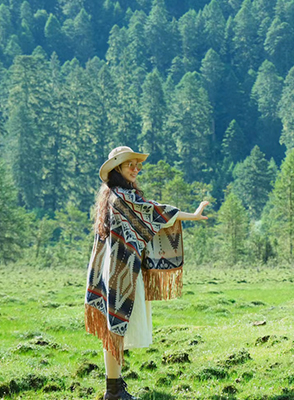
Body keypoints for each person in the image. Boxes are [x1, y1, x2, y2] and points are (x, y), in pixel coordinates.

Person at [84, 146, 209, 400]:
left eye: (137, 165)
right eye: (130, 164)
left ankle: (115, 387)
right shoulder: (122, 197)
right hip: (120, 270)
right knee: (115, 328)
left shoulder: (115, 196)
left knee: (115, 327)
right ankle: (113, 390)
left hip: (120, 267)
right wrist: (192, 216)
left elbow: (150, 215)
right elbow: (155, 212)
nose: (136, 169)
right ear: (117, 168)